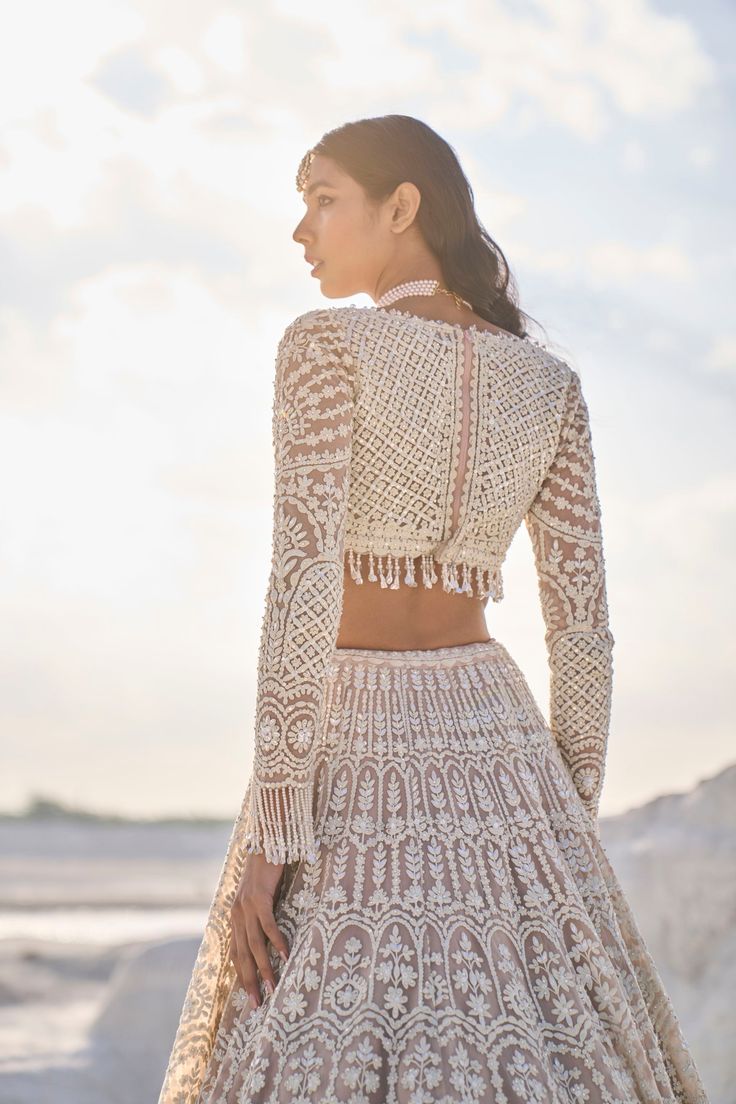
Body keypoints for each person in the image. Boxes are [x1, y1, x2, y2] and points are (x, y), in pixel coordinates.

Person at [158, 115, 709, 1103]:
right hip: (500, 748)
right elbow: (581, 625)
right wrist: (568, 824)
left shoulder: (328, 346)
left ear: (401, 206)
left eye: (322, 199)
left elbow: (301, 584)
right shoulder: (548, 384)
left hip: (349, 732)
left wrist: (275, 831)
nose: (302, 230)